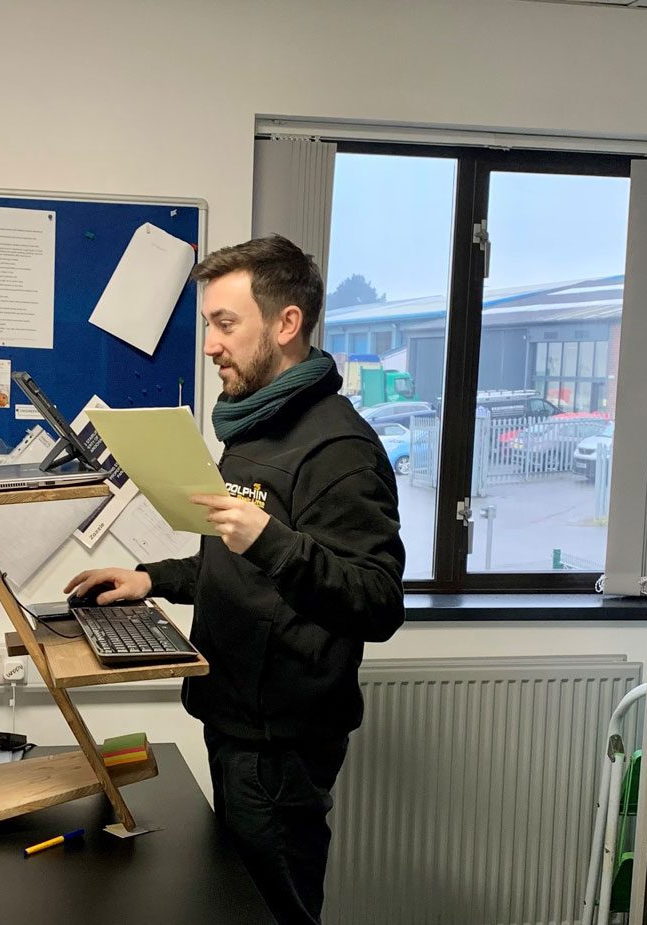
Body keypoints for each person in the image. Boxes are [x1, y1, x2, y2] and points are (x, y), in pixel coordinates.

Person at [66, 235, 405, 925]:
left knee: (273, 913)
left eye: (226, 324)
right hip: (233, 724)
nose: (211, 344)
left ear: (286, 324)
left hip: (280, 748)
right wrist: (149, 577)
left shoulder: (336, 446)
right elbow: (238, 564)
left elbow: (378, 600)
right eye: (209, 325)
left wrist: (272, 539)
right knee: (238, 907)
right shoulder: (255, 426)